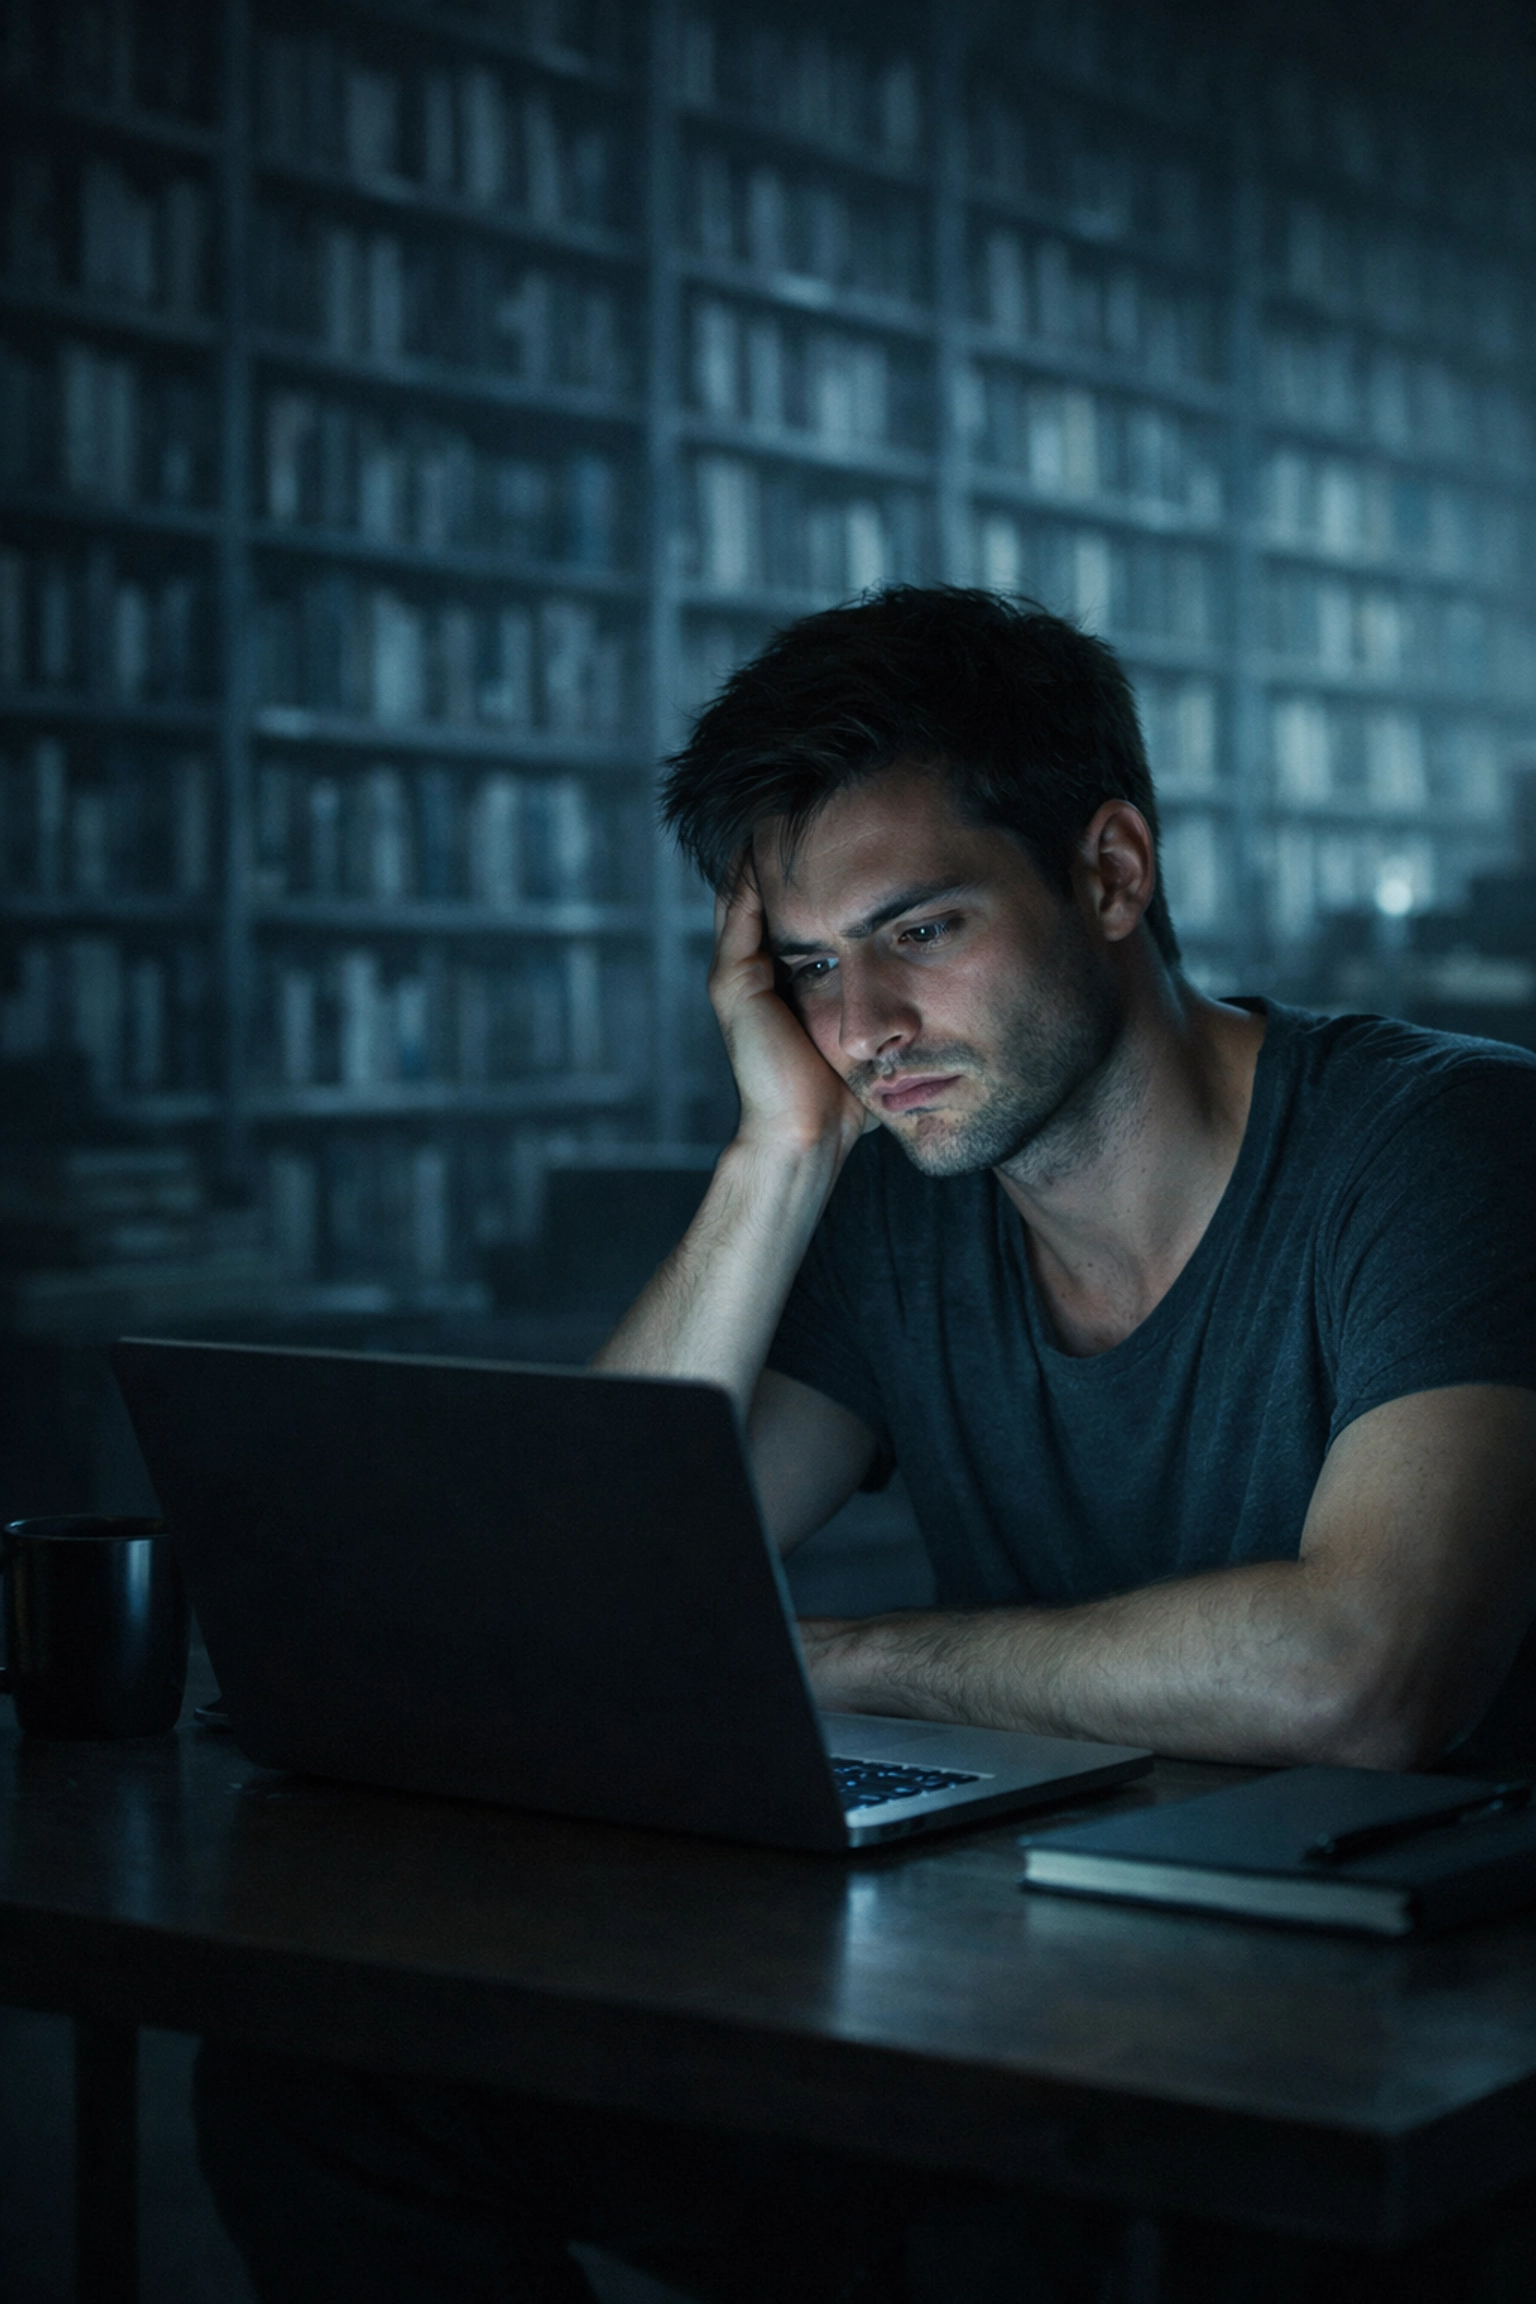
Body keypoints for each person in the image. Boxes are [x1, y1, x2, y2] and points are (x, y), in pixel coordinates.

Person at [196, 588, 1536, 2301]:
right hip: (1010, 2001)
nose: (862, 1029)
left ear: (1111, 873)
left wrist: (840, 1663)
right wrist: (777, 1152)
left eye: (919, 929)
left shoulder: (1442, 1144)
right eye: (812, 967)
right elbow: (577, 1608)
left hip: (1404, 2039)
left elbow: (1367, 1677)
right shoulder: (901, 1206)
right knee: (324, 2086)